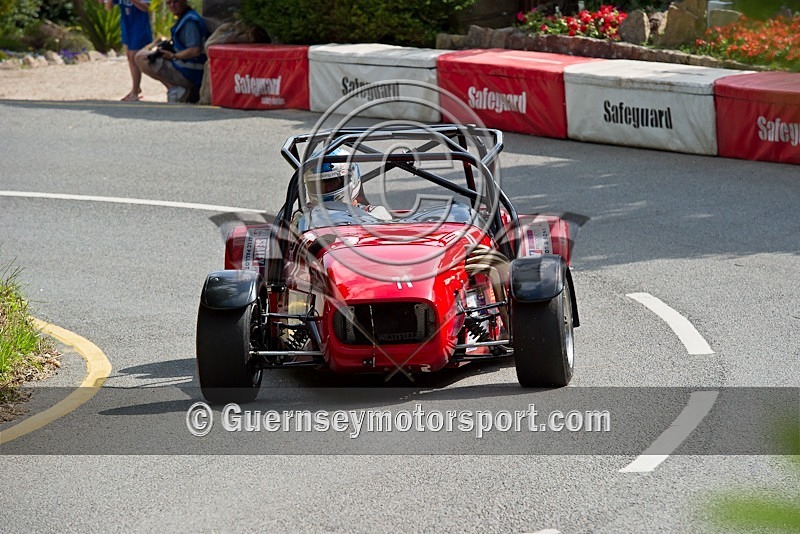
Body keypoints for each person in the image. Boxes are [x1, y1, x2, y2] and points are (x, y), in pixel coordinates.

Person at [134, 0, 208, 103]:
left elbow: (195, 50)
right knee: (143, 55)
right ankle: (178, 89)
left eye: (176, 2)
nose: (172, 5)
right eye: (169, 3)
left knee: (140, 57)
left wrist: (173, 56)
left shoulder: (190, 22)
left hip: (191, 73)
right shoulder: (185, 18)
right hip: (185, 68)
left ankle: (175, 90)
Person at [105, 0, 152, 101]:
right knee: (129, 57)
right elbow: (108, 8)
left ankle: (135, 92)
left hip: (139, 25)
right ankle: (136, 87)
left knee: (134, 56)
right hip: (126, 24)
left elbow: (146, 7)